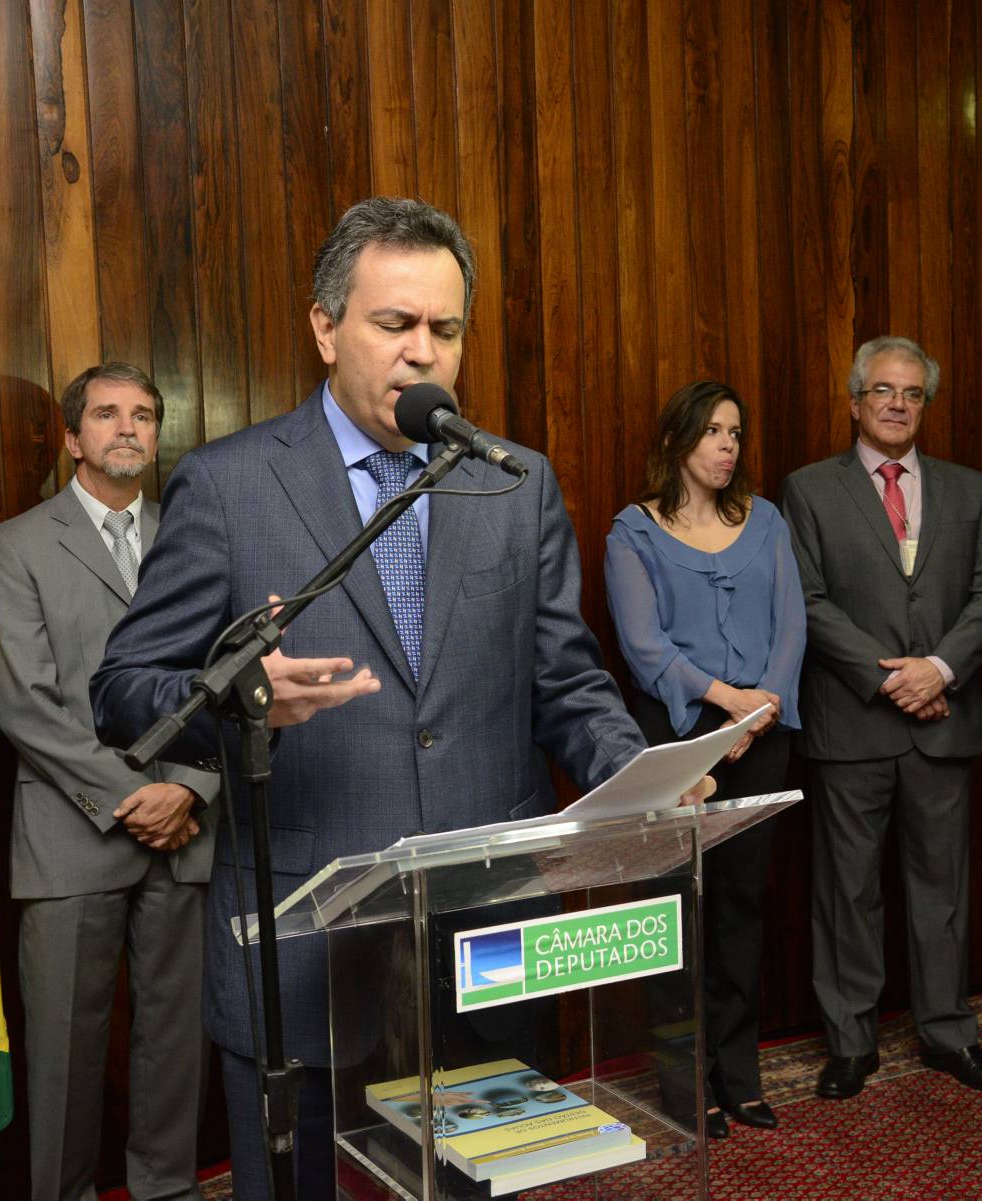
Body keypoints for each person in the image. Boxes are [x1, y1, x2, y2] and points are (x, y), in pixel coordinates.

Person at [90, 197, 662, 1200]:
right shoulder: (230, 488)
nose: (422, 353)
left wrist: (641, 775)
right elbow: (124, 690)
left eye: (444, 329)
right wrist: (240, 697)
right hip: (309, 960)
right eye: (394, 324)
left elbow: (566, 680)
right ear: (325, 328)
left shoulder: (516, 483)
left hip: (485, 950)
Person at [0, 363, 221, 1201]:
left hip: (185, 831)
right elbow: (27, 705)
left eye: (145, 414)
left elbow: (225, 676)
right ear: (73, 437)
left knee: (175, 1043)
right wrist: (136, 797)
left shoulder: (198, 538)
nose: (128, 427)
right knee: (64, 1056)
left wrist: (188, 787)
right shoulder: (16, 545)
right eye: (108, 413)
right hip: (71, 835)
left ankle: (166, 1189)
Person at [780, 336, 982, 1101]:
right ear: (854, 401)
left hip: (943, 719)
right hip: (853, 722)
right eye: (882, 390)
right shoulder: (809, 490)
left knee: (941, 886)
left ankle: (948, 1032)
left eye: (912, 393)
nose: (896, 404)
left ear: (926, 406)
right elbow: (809, 600)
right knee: (847, 889)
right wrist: (894, 681)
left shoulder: (969, 490)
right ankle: (851, 1040)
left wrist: (937, 670)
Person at [604, 380, 806, 1139]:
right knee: (677, 912)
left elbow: (793, 628)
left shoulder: (769, 522)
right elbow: (643, 646)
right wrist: (727, 702)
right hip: (676, 743)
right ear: (677, 442)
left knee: (741, 909)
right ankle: (687, 1083)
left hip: (762, 737)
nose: (728, 446)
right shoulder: (634, 531)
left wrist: (761, 708)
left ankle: (741, 1073)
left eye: (736, 433)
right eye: (714, 432)